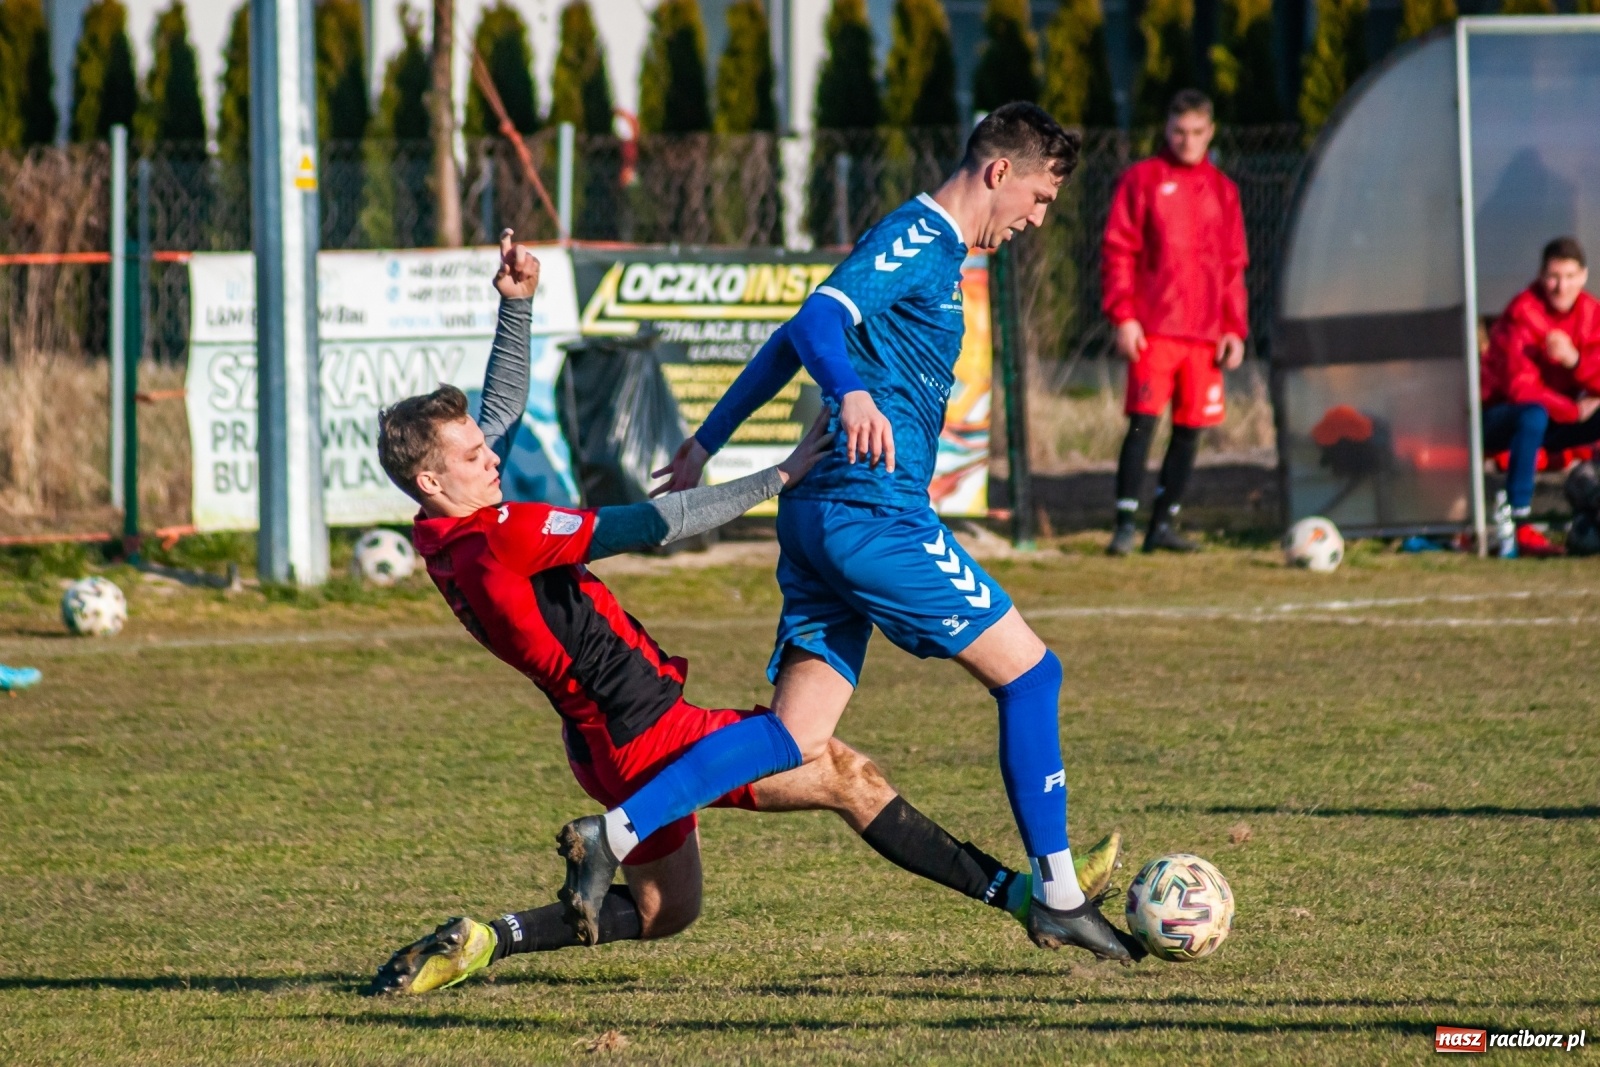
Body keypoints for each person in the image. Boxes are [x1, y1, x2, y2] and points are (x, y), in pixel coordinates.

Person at [367, 231, 1123, 996]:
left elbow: (496, 411)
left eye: (481, 448)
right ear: (431, 477)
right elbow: (653, 524)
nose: (491, 456)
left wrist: (517, 307)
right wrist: (783, 471)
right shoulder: (504, 537)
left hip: (598, 742)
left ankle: (489, 938)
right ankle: (1030, 896)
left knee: (668, 909)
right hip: (645, 729)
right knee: (843, 773)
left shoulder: (443, 534)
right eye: (471, 457)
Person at [554, 103, 1145, 964]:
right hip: (872, 513)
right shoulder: (920, 234)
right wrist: (857, 396)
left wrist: (707, 440)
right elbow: (819, 326)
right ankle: (1055, 891)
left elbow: (799, 325)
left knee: (798, 734)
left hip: (825, 516)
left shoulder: (920, 245)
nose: (1037, 219)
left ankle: (614, 830)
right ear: (998, 173)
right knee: (1032, 674)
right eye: (1042, 197)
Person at [1100, 89, 1249, 556]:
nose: (1187, 141)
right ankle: (1125, 523)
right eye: (1178, 131)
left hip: (1204, 336)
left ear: (1210, 132)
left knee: (1190, 430)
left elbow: (1232, 265)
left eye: (1197, 132)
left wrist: (1234, 328)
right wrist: (1124, 315)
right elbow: (1118, 250)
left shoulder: (1223, 190)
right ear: (1166, 129)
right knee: (1143, 424)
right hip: (1155, 328)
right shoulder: (1141, 180)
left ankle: (1162, 525)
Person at [1480, 236, 1600, 557]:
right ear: (1541, 276)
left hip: (1554, 422)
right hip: (1500, 421)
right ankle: (1519, 521)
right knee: (1532, 414)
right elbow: (1520, 389)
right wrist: (1573, 411)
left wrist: (1574, 361)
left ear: (1584, 276)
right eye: (1553, 277)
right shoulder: (1522, 312)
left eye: (1570, 276)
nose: (1562, 286)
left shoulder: (1591, 312)